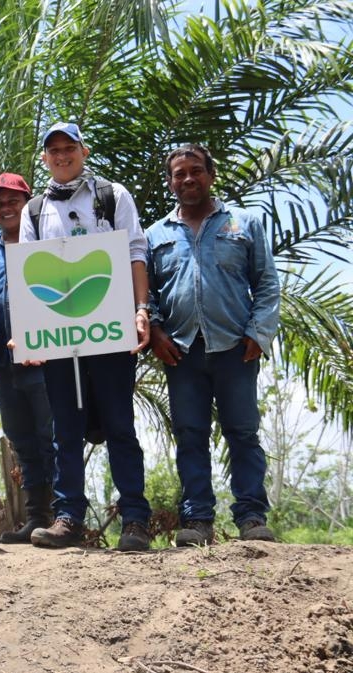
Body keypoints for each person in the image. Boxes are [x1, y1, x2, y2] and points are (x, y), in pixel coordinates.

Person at [19, 123, 153, 551]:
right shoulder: (35, 209)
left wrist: (140, 310)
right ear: (45, 158)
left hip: (110, 329)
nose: (61, 156)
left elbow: (135, 252)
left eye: (68, 148)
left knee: (119, 424)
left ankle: (134, 518)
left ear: (84, 150)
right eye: (53, 150)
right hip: (60, 336)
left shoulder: (113, 196)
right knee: (66, 429)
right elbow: (28, 269)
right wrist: (26, 330)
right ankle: (68, 517)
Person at [146, 143, 280, 545]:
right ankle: (198, 520)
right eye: (179, 173)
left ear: (211, 174)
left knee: (242, 433)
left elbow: (267, 283)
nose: (188, 179)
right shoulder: (156, 234)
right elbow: (146, 293)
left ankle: (252, 517)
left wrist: (259, 332)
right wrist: (155, 332)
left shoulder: (244, 223)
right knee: (190, 434)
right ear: (170, 181)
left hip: (235, 349)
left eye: (196, 170)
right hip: (181, 352)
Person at [0, 173, 58, 543]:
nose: (6, 207)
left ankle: (65, 515)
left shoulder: (48, 243)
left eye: (13, 200)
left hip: (46, 358)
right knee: (22, 440)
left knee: (52, 436)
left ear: (28, 202)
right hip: (1, 361)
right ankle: (36, 517)